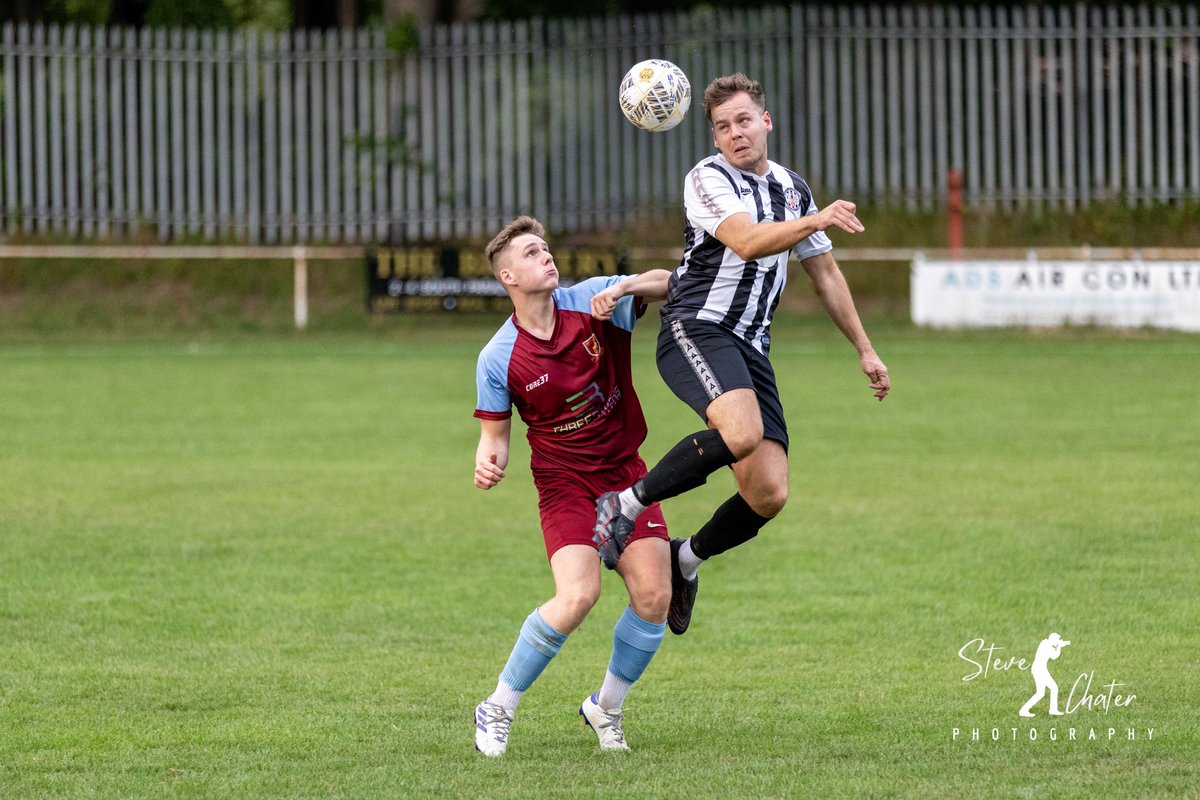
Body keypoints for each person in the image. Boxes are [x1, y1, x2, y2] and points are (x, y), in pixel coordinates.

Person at [594, 73, 891, 636]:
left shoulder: (791, 188)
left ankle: (685, 561)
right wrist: (817, 218)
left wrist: (865, 349)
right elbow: (747, 241)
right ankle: (624, 506)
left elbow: (825, 274)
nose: (735, 133)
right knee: (742, 430)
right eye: (723, 126)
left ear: (766, 121)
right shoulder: (707, 178)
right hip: (696, 326)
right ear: (713, 137)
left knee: (768, 491)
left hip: (752, 343)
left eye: (744, 120)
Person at [471, 216, 674, 757]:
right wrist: (488, 462)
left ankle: (605, 707)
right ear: (509, 275)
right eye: (533, 254)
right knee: (579, 594)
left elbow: (671, 282)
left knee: (655, 597)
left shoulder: (590, 300)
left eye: (547, 249)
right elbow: (495, 437)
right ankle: (497, 706)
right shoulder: (498, 357)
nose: (548, 258)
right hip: (565, 483)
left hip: (626, 473)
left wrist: (627, 287)